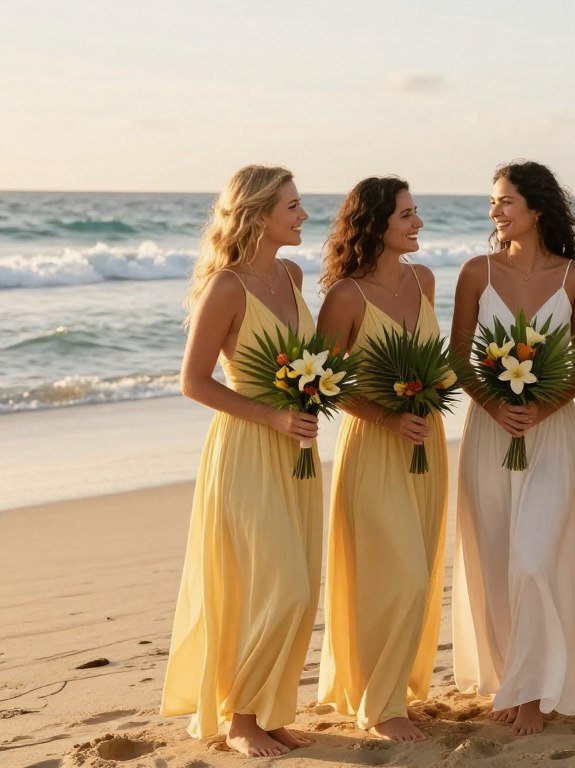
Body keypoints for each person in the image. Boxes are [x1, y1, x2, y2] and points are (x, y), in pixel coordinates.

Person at [162, 165, 320, 758]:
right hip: (247, 449)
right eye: (293, 206)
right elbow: (193, 382)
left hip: (297, 450)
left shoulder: (292, 273)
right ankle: (240, 718)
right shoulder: (226, 287)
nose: (303, 215)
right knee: (278, 586)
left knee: (299, 585)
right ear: (257, 215)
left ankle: (268, 710)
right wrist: (274, 417)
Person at [451, 161, 575, 736]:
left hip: (552, 429)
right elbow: (458, 356)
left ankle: (536, 691)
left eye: (505, 202)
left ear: (536, 210)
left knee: (534, 556)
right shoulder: (474, 272)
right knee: (494, 558)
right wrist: (495, 406)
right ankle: (513, 678)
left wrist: (541, 405)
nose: (495, 213)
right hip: (490, 430)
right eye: (493, 203)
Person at [316, 177, 447, 743]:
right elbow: (323, 381)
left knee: (419, 569)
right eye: (406, 216)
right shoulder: (346, 296)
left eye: (416, 214)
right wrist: (387, 415)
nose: (417, 224)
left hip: (428, 443)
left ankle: (393, 688)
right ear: (375, 225)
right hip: (373, 445)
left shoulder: (424, 280)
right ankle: (381, 703)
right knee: (392, 575)